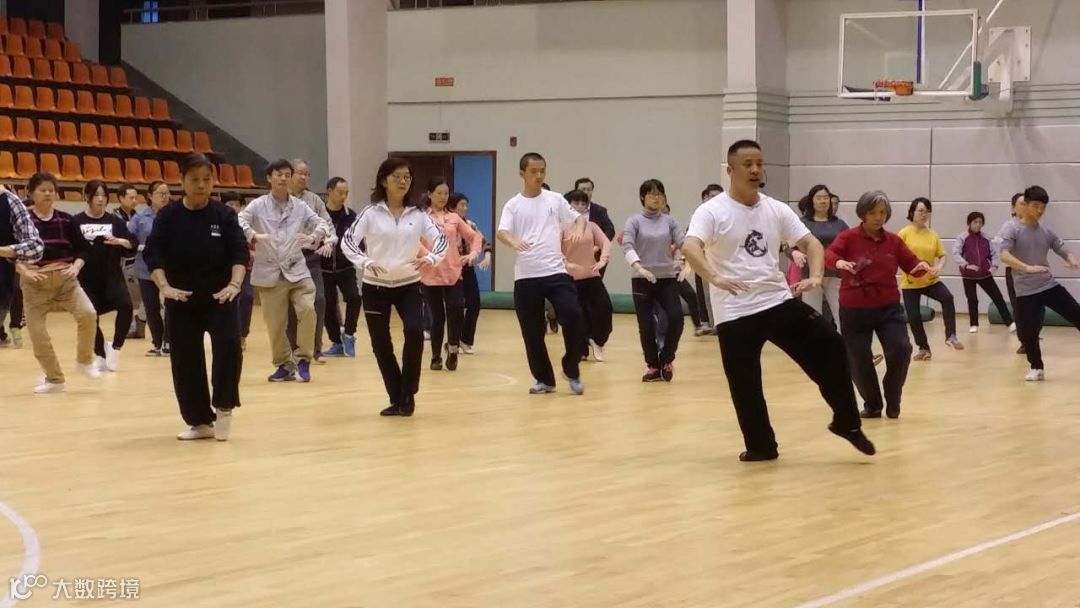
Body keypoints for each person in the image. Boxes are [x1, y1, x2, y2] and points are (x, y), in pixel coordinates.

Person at [681, 140, 874, 462]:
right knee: (745, 384)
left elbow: (811, 243)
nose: (756, 170)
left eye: (760, 163)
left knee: (830, 344)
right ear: (730, 170)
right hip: (735, 308)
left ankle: (847, 422)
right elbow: (690, 246)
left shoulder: (776, 209)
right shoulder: (711, 211)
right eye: (748, 164)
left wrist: (815, 275)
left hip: (776, 301)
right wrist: (714, 277)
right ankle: (761, 446)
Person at [144, 153, 249, 441]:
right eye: (194, 180)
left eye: (206, 179)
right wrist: (164, 287)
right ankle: (200, 421)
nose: (201, 185)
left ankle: (224, 408)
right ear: (182, 181)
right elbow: (153, 254)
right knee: (185, 360)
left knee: (229, 349)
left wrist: (235, 284)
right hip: (182, 300)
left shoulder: (224, 215)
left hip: (220, 297)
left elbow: (240, 252)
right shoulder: (168, 216)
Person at [342, 157, 448, 416]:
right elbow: (348, 241)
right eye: (397, 176)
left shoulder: (419, 214)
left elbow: (441, 240)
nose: (403, 181)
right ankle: (396, 396)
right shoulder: (370, 213)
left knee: (414, 332)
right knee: (381, 345)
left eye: (407, 177)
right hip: (375, 287)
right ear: (383, 180)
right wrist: (365, 261)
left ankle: (407, 393)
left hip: (408, 285)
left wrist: (431, 258)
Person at [826, 191, 930, 419]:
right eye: (873, 213)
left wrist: (920, 266)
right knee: (858, 358)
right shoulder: (848, 237)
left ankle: (893, 396)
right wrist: (839, 261)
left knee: (902, 349)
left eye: (882, 212)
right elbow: (829, 254)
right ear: (863, 213)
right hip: (854, 309)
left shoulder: (893, 241)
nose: (878, 217)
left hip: (888, 308)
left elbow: (911, 262)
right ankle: (872, 404)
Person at [497, 153, 589, 395]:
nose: (538, 176)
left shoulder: (555, 199)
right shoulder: (513, 205)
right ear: (522, 174)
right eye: (533, 171)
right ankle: (544, 379)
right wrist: (513, 241)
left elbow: (578, 219)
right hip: (526, 277)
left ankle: (571, 368)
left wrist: (579, 229)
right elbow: (502, 231)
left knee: (574, 315)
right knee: (532, 332)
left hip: (555, 272)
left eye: (542, 171)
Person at [239, 159, 332, 383]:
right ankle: (283, 364)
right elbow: (239, 220)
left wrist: (313, 237)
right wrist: (254, 235)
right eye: (278, 174)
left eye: (287, 175)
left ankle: (304, 359)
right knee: (276, 324)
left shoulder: (300, 206)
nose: (283, 178)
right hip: (269, 271)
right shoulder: (257, 205)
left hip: (297, 268)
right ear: (269, 178)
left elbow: (322, 223)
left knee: (308, 309)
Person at [15, 172, 101, 393]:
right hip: (35, 284)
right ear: (31, 193)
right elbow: (10, 254)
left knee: (88, 314)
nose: (47, 194)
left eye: (51, 190)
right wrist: (24, 271)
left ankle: (84, 360)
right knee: (37, 334)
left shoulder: (66, 219)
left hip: (66, 281)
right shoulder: (22, 222)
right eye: (42, 190)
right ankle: (55, 379)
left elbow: (83, 249)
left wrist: (76, 266)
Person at [998, 185, 1080, 381]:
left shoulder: (1045, 231)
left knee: (1077, 314)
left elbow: (1060, 247)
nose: (1040, 211)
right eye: (1036, 206)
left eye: (1043, 207)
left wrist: (1071, 259)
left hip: (1048, 285)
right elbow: (1004, 255)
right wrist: (1026, 268)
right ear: (1025, 205)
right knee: (1028, 333)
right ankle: (1036, 367)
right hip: (1025, 291)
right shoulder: (1012, 228)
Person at [624, 180, 685, 381]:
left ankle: (667, 358)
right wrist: (639, 268)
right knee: (646, 324)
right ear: (643, 197)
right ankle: (652, 365)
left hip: (666, 278)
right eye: (651, 194)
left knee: (676, 317)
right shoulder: (634, 221)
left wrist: (687, 262)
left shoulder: (670, 221)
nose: (656, 198)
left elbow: (683, 242)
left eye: (659, 194)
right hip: (642, 279)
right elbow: (627, 246)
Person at [73, 180, 138, 372]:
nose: (100, 199)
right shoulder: (76, 222)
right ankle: (101, 354)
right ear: (87, 197)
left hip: (112, 277)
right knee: (90, 317)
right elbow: (72, 248)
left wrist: (120, 241)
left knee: (126, 306)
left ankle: (115, 348)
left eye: (104, 195)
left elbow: (131, 243)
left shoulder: (115, 222)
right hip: (86, 279)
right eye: (96, 195)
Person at [419, 177, 482, 371]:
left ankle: (453, 349)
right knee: (437, 316)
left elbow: (474, 237)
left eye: (446, 193)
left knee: (456, 309)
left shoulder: (454, 218)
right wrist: (428, 255)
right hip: (430, 274)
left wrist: (473, 254)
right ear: (430, 194)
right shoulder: (421, 217)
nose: (443, 197)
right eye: (439, 193)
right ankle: (436, 355)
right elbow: (413, 241)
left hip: (453, 272)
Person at [897, 198, 964, 360]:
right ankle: (924, 348)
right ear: (912, 212)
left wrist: (939, 267)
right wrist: (910, 268)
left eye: (926, 211)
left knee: (947, 298)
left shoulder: (933, 234)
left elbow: (942, 255)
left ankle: (950, 336)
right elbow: (897, 255)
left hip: (930, 281)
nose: (924, 214)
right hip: (910, 283)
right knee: (914, 317)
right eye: (920, 211)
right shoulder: (904, 233)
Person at [286, 159, 335, 363]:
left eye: (307, 174)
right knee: (291, 305)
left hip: (311, 258)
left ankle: (316, 348)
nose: (304, 177)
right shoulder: (281, 198)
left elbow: (328, 225)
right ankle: (293, 349)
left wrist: (329, 242)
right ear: (290, 174)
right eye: (300, 173)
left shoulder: (314, 200)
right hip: (288, 259)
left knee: (319, 300)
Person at [562, 189, 612, 363]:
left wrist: (603, 260)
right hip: (570, 279)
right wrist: (567, 264)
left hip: (592, 276)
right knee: (575, 316)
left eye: (583, 203)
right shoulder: (561, 227)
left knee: (605, 310)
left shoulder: (591, 226)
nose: (580, 206)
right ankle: (580, 349)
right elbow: (554, 250)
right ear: (567, 206)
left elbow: (605, 242)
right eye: (576, 203)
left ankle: (597, 340)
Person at [792, 185, 849, 329]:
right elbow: (786, 245)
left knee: (841, 314)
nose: (823, 201)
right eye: (819, 198)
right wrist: (794, 252)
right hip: (810, 274)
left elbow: (850, 245)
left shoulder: (840, 224)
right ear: (812, 201)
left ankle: (845, 343)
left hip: (835, 274)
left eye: (826, 198)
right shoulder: (802, 223)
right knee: (812, 316)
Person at [320, 177, 363, 358]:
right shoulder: (318, 215)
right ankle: (336, 342)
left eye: (346, 193)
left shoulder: (351, 216)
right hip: (323, 270)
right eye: (340, 192)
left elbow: (358, 241)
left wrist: (359, 256)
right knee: (327, 305)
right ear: (329, 191)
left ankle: (349, 335)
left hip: (346, 268)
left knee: (354, 297)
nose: (344, 196)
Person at [128, 180, 172, 356]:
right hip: (146, 269)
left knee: (170, 306)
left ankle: (169, 342)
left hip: (169, 269)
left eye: (167, 193)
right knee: (151, 307)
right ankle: (157, 342)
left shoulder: (174, 215)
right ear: (149, 196)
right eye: (161, 193)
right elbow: (130, 238)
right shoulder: (139, 218)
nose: (165, 197)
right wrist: (138, 246)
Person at [952, 211, 1015, 333]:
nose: (978, 225)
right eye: (975, 222)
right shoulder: (962, 238)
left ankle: (1009, 322)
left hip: (985, 274)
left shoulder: (986, 238)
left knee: (997, 297)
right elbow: (956, 253)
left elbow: (994, 254)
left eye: (980, 222)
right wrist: (966, 265)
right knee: (972, 300)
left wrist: (994, 267)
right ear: (969, 223)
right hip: (968, 276)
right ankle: (974, 324)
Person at [0, 185, 43, 348]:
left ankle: (15, 326)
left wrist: (5, 252)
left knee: (16, 294)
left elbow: (35, 246)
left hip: (6, 277)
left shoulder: (10, 201)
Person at [449, 193, 491, 355]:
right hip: (451, 271)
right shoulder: (446, 225)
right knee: (456, 306)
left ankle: (465, 340)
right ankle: (452, 341)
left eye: (466, 205)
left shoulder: (470, 225)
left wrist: (487, 257)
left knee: (474, 304)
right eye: (462, 205)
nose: (465, 208)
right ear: (452, 207)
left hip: (467, 269)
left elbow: (484, 242)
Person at [221, 192, 255, 351]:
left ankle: (242, 334)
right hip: (224, 269)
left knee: (247, 297)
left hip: (246, 268)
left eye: (237, 204)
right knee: (227, 300)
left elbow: (254, 243)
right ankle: (226, 334)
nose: (234, 207)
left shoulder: (247, 223)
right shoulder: (218, 221)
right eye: (230, 204)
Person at [113, 183, 145, 339]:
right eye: (131, 198)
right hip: (122, 261)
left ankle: (139, 320)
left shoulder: (138, 216)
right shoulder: (114, 218)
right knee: (128, 299)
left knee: (146, 296)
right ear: (121, 198)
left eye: (136, 197)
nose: (134, 201)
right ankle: (130, 326)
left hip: (139, 260)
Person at [999, 193, 1027, 355]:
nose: (1026, 207)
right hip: (1014, 272)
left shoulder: (1034, 226)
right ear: (1013, 208)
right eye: (1022, 203)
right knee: (1019, 307)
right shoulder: (1008, 227)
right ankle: (1025, 341)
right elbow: (999, 246)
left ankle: (1032, 335)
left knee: (1035, 307)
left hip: (1033, 273)